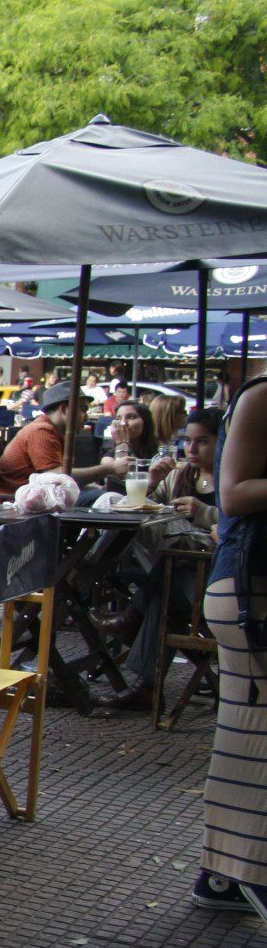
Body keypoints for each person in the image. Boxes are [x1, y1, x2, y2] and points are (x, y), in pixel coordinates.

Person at [196, 373, 267, 918]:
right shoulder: (262, 395)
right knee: (255, 729)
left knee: (247, 727)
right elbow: (234, 493)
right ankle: (253, 873)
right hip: (249, 592)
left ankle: (221, 877)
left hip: (246, 587)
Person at [93, 409, 220, 713]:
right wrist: (152, 479)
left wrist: (204, 513)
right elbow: (143, 503)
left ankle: (128, 617)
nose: (191, 449)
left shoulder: (231, 481)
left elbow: (236, 524)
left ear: (222, 442)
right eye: (188, 441)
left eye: (202, 442)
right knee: (162, 595)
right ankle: (147, 688)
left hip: (213, 580)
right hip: (179, 573)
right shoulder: (180, 474)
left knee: (162, 590)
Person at [0, 382, 128, 498]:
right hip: (17, 503)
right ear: (64, 408)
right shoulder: (40, 431)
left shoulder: (55, 432)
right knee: (108, 499)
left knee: (107, 496)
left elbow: (62, 481)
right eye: (83, 409)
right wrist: (109, 468)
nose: (86, 417)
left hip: (43, 497)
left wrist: (92, 486)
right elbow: (57, 477)